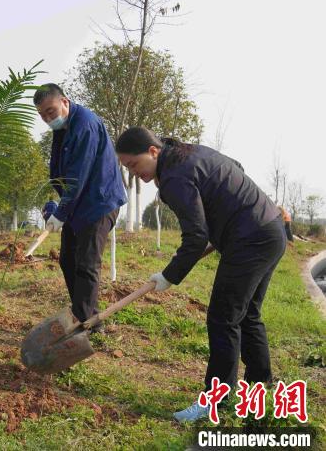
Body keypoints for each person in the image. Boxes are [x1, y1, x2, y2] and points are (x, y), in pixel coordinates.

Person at [115, 127, 285, 423]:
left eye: (133, 164)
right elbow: (237, 167)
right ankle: (261, 387)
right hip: (270, 229)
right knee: (247, 315)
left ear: (153, 151)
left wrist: (168, 275)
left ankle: (216, 402)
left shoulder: (174, 177)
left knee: (223, 317)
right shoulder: (189, 152)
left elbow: (195, 237)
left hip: (250, 240)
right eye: (127, 167)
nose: (133, 172)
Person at [34, 83, 127, 328]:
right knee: (68, 260)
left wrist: (61, 212)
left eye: (51, 112)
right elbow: (63, 173)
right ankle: (88, 317)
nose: (47, 119)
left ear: (64, 101)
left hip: (98, 203)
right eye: (42, 115)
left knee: (86, 264)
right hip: (77, 204)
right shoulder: (63, 127)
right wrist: (56, 206)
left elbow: (78, 175)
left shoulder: (84, 124)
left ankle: (82, 326)